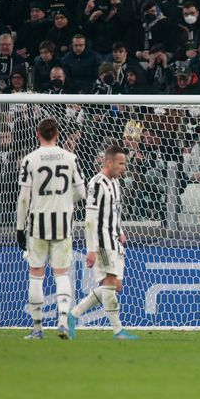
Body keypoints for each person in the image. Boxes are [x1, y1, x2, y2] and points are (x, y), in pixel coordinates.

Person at [16, 118, 86, 339]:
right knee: (62, 273)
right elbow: (82, 193)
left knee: (36, 274)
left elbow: (24, 198)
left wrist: (19, 228)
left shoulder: (30, 159)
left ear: (38, 134)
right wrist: (67, 201)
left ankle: (37, 328)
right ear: (57, 134)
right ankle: (63, 322)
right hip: (63, 222)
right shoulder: (70, 158)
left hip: (38, 223)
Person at [67, 145, 138, 340]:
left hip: (115, 241)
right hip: (102, 243)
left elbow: (114, 212)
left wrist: (121, 231)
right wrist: (91, 250)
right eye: (121, 163)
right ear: (108, 162)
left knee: (116, 286)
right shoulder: (96, 184)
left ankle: (72, 315)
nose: (124, 167)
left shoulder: (115, 183)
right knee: (109, 283)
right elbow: (90, 219)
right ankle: (118, 330)